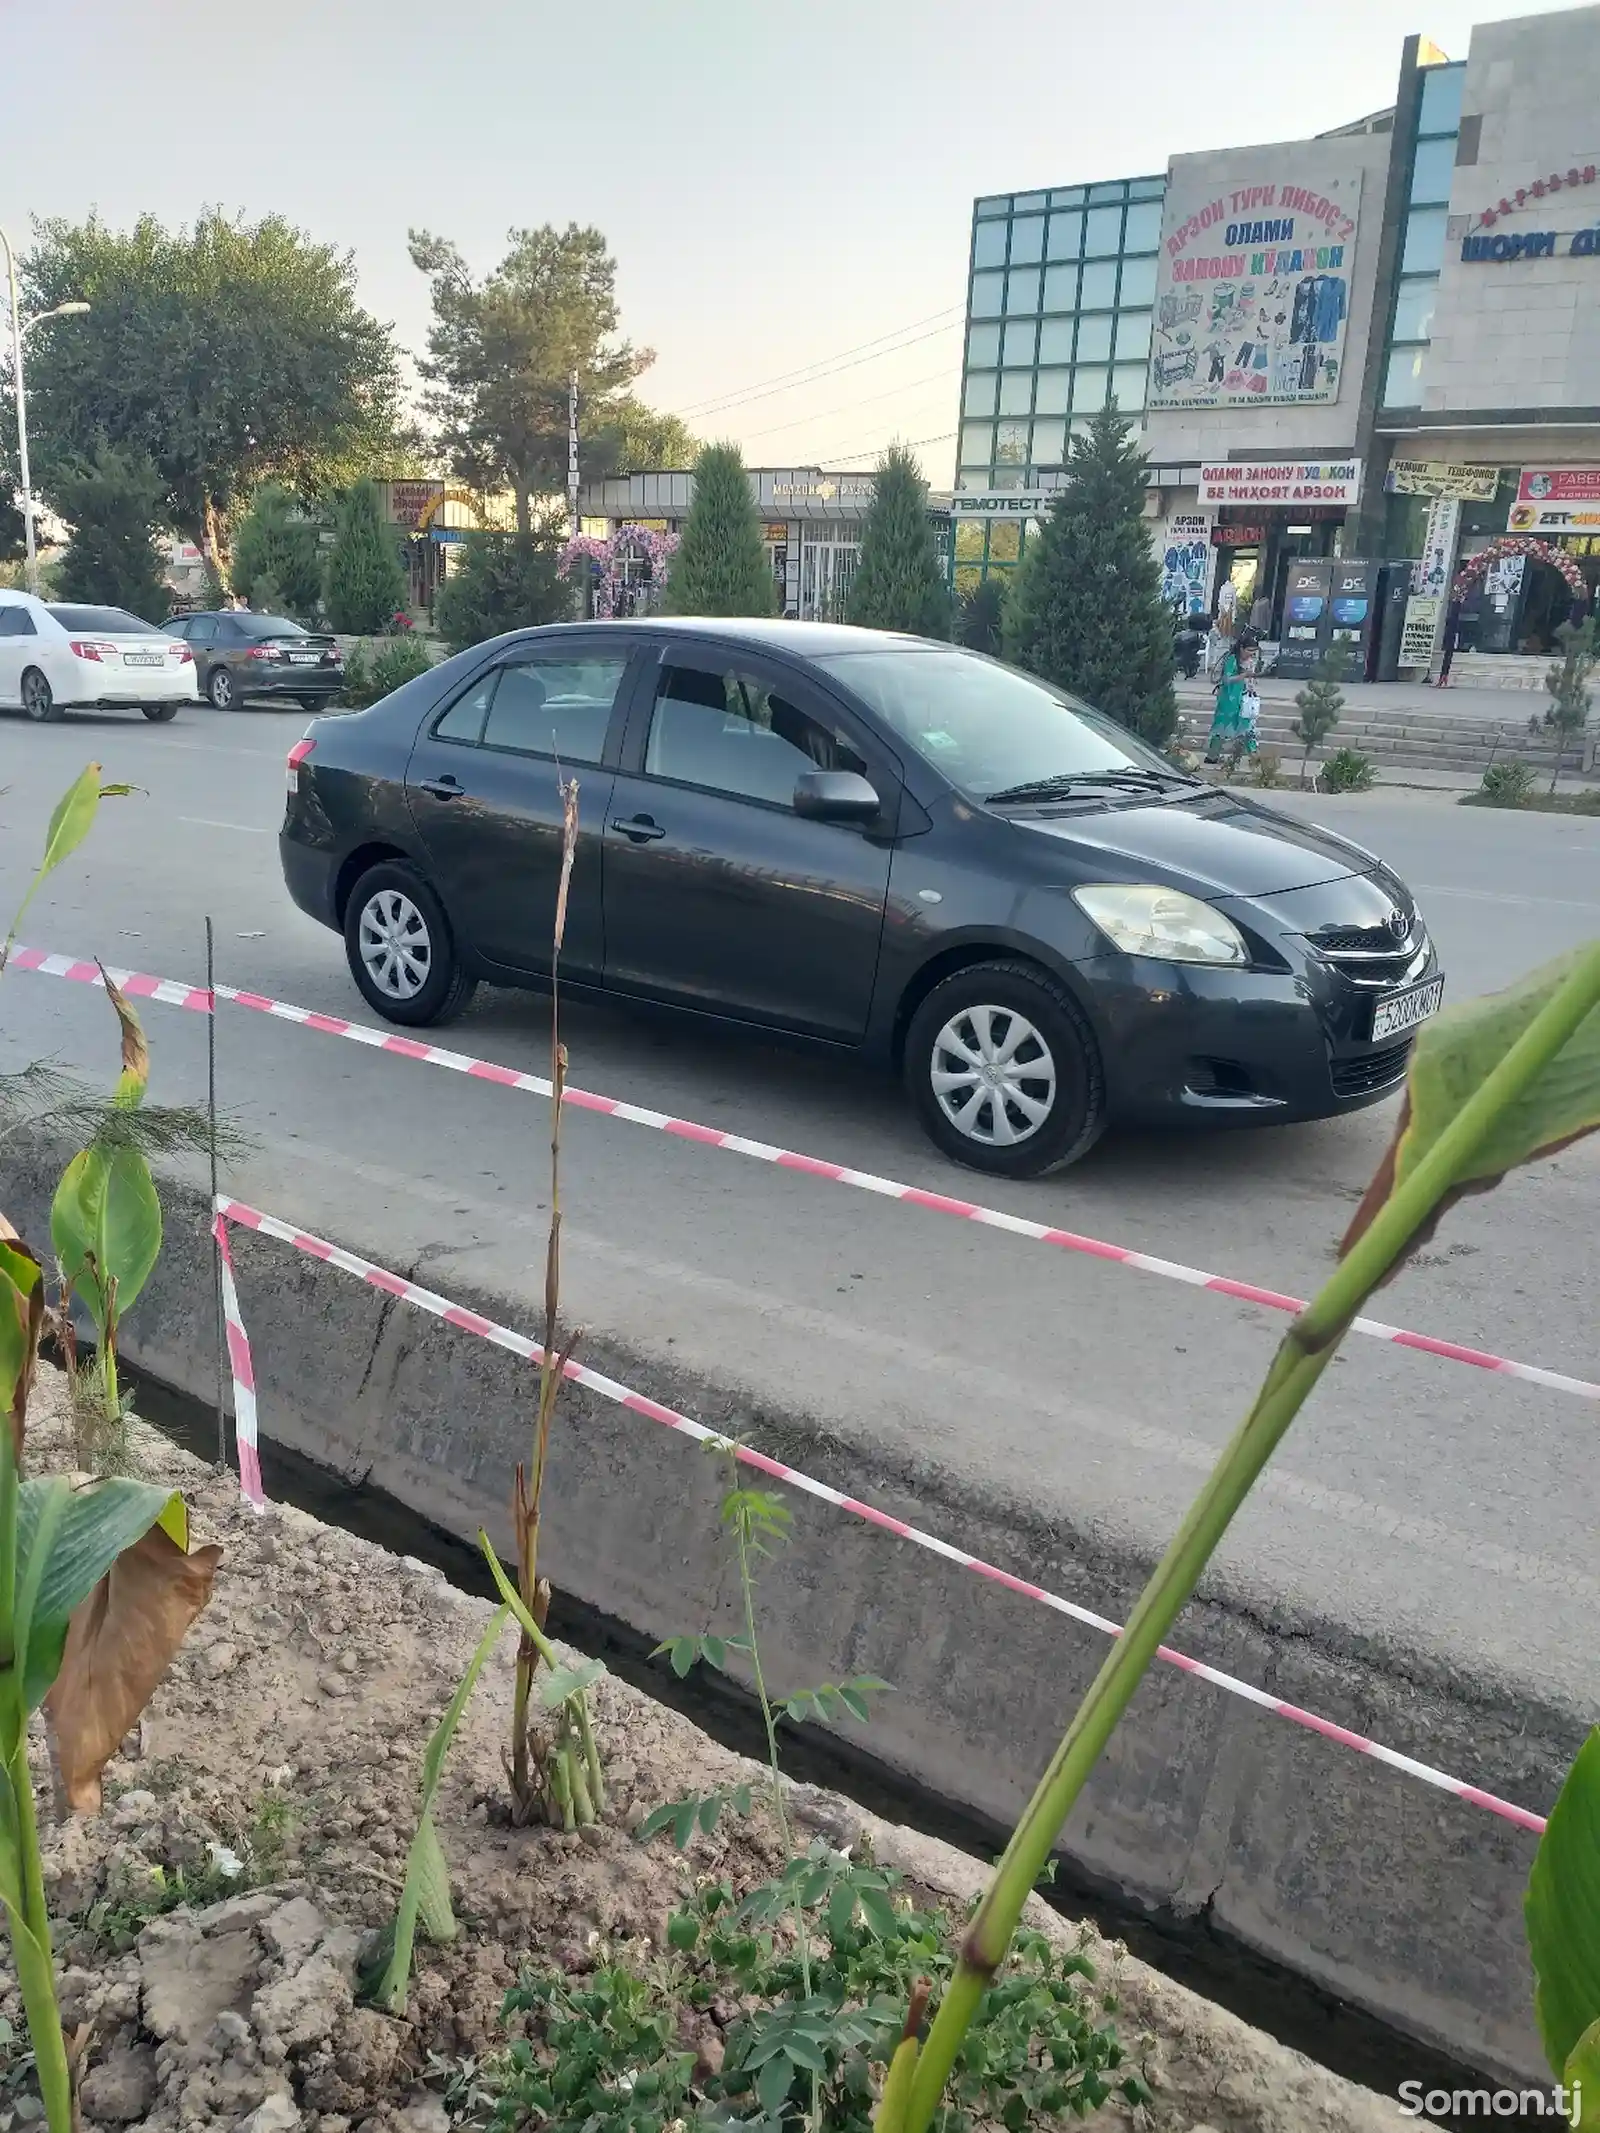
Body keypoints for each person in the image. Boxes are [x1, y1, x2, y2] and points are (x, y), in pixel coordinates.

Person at [1204, 636, 1258, 764]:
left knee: (1247, 725)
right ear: (1241, 648)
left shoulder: (1249, 661)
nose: (1251, 654)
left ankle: (1254, 755)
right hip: (1229, 698)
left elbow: (1250, 679)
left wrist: (1251, 685)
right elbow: (1226, 679)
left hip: (1243, 698)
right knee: (1222, 726)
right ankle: (1212, 755)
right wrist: (1243, 675)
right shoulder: (1232, 659)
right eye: (1249, 650)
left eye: (1253, 651)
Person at [1436, 595, 1463, 686]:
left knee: (1447, 657)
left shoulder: (1452, 618)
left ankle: (1443, 677)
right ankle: (1444, 677)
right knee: (1448, 657)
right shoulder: (1455, 620)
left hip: (1450, 637)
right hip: (1451, 638)